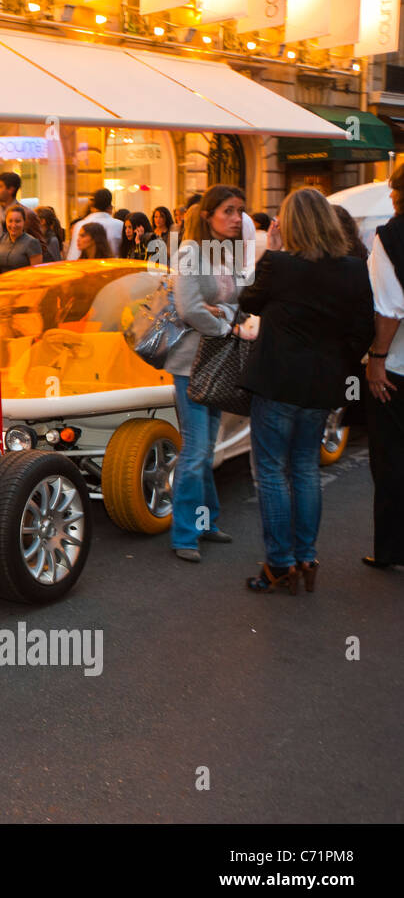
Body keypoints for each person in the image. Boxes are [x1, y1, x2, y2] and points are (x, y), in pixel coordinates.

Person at [235, 188, 374, 594]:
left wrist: (272, 251)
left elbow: (248, 301)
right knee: (305, 469)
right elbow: (363, 328)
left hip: (278, 382)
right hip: (322, 387)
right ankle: (306, 558)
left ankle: (279, 564)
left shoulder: (279, 265)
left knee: (273, 475)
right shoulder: (352, 268)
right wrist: (336, 360)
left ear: (290, 225)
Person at [164, 184, 246, 563]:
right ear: (208, 214)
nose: (236, 218)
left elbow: (239, 302)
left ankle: (206, 521)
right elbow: (189, 308)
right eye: (228, 210)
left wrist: (222, 314)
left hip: (216, 359)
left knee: (207, 448)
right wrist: (222, 324)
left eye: (239, 211)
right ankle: (184, 534)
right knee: (196, 450)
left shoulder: (226, 253)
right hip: (191, 364)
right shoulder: (189, 251)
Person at [363, 161, 404, 571]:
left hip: (399, 366)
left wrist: (376, 360)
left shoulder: (390, 238)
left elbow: (389, 307)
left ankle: (393, 547)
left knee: (391, 458)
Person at [66, 188, 125, 260]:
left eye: (83, 236)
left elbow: (74, 255)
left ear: (92, 207)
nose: (79, 239)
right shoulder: (120, 225)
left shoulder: (81, 225)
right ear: (110, 207)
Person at [0, 204, 44, 272]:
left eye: (17, 221)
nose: (13, 225)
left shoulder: (32, 242)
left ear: (24, 222)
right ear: (6, 222)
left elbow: (36, 272)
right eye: (10, 221)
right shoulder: (2, 239)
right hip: (3, 281)